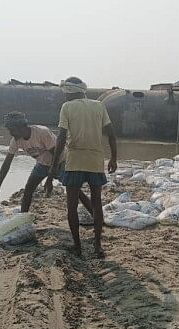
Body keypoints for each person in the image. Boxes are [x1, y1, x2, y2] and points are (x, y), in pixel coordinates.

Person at [46, 77, 118, 258]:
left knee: (71, 206)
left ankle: (77, 245)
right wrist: (114, 158)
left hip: (75, 160)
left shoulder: (67, 108)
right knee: (96, 203)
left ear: (70, 92)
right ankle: (97, 245)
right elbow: (111, 134)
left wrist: (54, 167)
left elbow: (61, 139)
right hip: (95, 160)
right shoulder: (99, 106)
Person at [0, 111, 94, 214]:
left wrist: (50, 178)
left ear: (21, 127)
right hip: (42, 164)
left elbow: (56, 154)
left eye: (12, 130)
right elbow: (6, 164)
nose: (11, 133)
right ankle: (23, 218)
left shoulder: (41, 133)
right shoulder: (16, 141)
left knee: (75, 191)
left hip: (60, 162)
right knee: (28, 190)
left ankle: (96, 215)